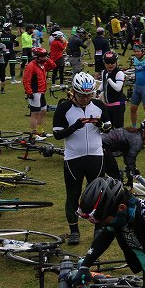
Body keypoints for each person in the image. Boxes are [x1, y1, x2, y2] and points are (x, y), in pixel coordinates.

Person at [52, 72, 110, 244]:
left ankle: (98, 228)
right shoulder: (64, 108)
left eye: (89, 95)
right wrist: (75, 126)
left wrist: (100, 124)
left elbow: (108, 127)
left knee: (99, 194)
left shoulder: (99, 105)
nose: (86, 99)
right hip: (74, 158)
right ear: (74, 93)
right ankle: (74, 231)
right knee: (73, 195)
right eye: (82, 96)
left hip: (96, 156)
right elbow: (57, 134)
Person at [102, 118, 145, 184]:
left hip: (101, 142)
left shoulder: (134, 133)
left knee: (106, 169)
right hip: (103, 145)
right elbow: (130, 160)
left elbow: (126, 155)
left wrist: (132, 170)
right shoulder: (137, 141)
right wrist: (130, 176)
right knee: (115, 174)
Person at [22, 47, 52, 139]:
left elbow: (53, 66)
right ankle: (34, 134)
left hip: (41, 91)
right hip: (35, 92)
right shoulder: (31, 66)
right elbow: (26, 80)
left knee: (43, 111)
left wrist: (47, 59)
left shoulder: (42, 65)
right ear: (36, 57)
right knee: (34, 114)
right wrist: (29, 92)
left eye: (45, 56)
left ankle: (40, 131)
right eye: (43, 56)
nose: (45, 58)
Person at [98, 51, 127, 130]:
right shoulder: (104, 72)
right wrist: (98, 90)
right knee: (107, 128)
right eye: (107, 62)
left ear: (116, 62)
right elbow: (103, 83)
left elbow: (118, 88)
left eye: (112, 62)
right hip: (107, 105)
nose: (110, 64)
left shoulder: (119, 73)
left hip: (117, 105)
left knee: (118, 129)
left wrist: (109, 79)